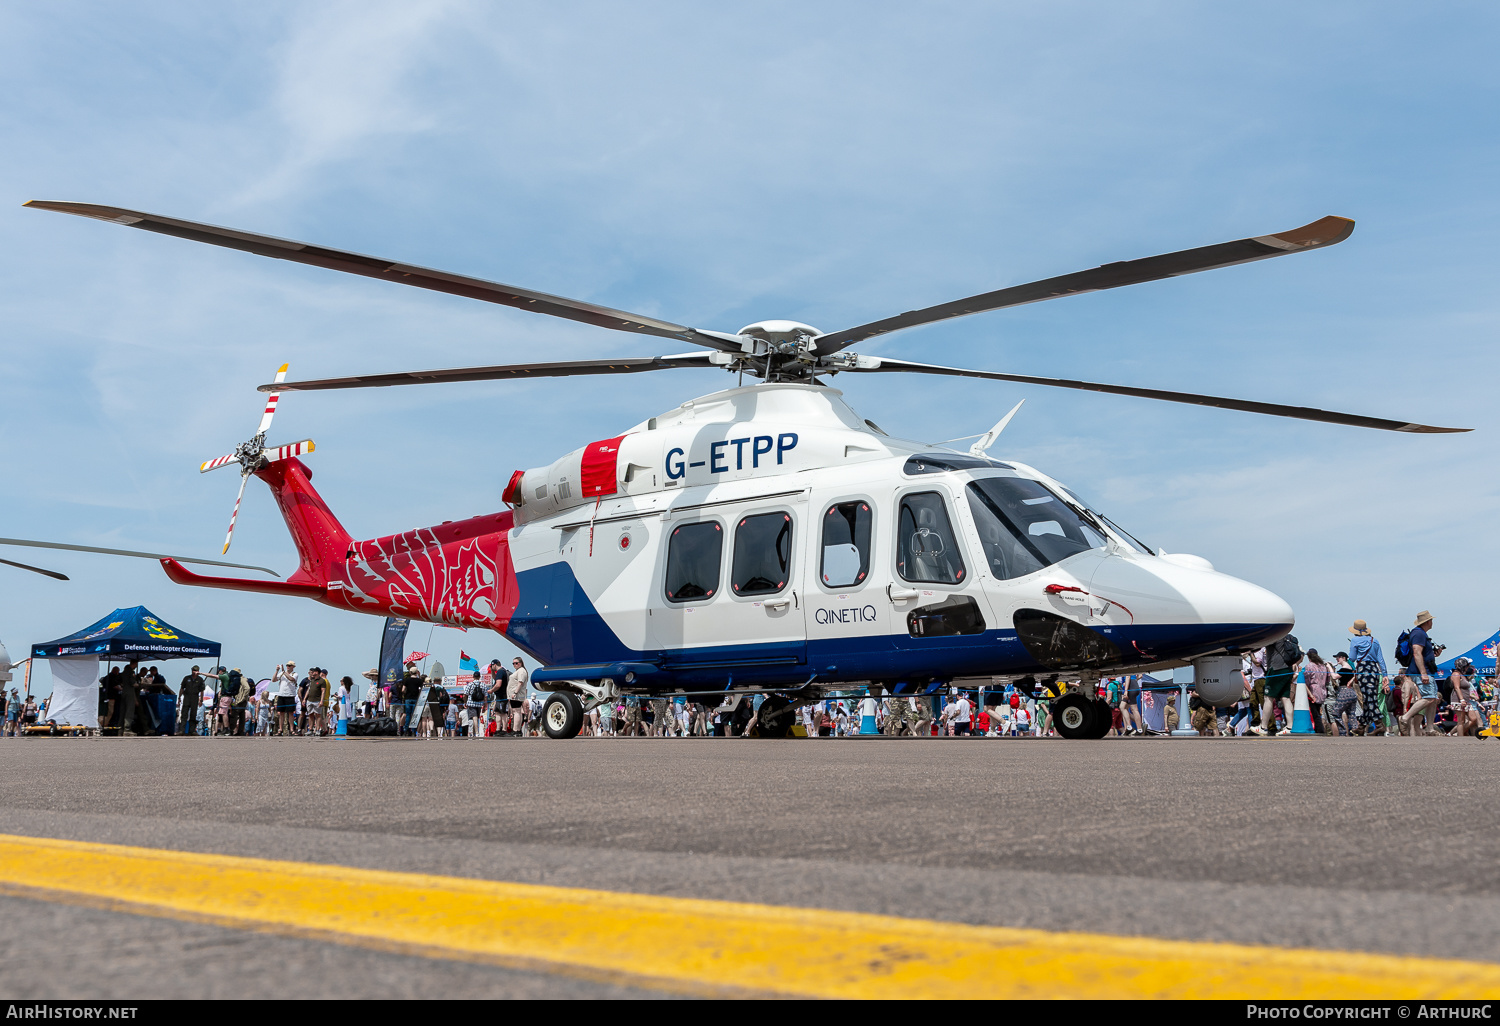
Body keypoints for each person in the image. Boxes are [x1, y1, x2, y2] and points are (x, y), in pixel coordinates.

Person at [1400, 612, 1442, 736]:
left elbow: (1421, 653)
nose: (1432, 623)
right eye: (1431, 620)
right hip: (1421, 672)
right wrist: (1423, 673)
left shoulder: (1421, 633)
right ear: (1427, 622)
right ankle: (1405, 718)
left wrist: (1434, 654)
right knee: (1428, 697)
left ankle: (1429, 728)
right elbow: (1416, 652)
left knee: (1433, 698)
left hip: (1425, 670)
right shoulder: (1418, 633)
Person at [1253, 634, 1301, 736]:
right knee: (1285, 698)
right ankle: (1290, 727)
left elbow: (1258, 645)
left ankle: (1263, 727)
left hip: (1275, 669)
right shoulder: (1287, 636)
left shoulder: (1274, 635)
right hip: (1287, 669)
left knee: (1268, 697)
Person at [1347, 620, 1387, 736]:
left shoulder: (1355, 640)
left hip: (1363, 669)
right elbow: (1381, 659)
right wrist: (1385, 675)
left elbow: (1352, 658)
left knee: (1370, 699)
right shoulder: (1375, 641)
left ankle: (1379, 725)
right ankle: (1361, 727)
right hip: (1374, 670)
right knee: (1369, 698)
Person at [1448, 658, 1482, 737]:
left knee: (1473, 719)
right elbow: (1457, 687)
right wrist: (1462, 700)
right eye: (1466, 666)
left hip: (1466, 700)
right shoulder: (1456, 674)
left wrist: (1471, 696)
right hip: (1458, 699)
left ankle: (1455, 733)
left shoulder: (1462, 675)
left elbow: (1464, 689)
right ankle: (1460, 736)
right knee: (1461, 720)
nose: (1467, 667)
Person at [1302, 650, 1331, 734]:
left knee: (1315, 713)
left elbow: (1306, 680)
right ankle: (1319, 729)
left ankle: (1319, 730)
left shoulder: (1309, 666)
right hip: (1322, 691)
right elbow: (1328, 679)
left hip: (1313, 691)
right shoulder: (1323, 666)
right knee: (1318, 711)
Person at [177, 665, 206, 736]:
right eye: (193, 670)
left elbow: (202, 690)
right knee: (184, 714)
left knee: (193, 714)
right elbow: (182, 688)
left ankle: (192, 730)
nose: (195, 672)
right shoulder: (186, 678)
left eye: (196, 670)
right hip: (187, 697)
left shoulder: (200, 680)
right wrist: (179, 697)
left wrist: (201, 700)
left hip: (195, 697)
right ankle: (182, 730)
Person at [271, 661, 298, 736]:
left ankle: (292, 729)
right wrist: (277, 671)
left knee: (290, 713)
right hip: (281, 695)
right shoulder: (282, 674)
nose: (288, 667)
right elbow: (273, 680)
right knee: (281, 713)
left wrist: (283, 671)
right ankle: (280, 729)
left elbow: (291, 679)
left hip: (290, 695)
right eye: (287, 665)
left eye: (290, 665)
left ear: (293, 667)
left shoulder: (295, 674)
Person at [507, 658, 529, 735]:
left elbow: (520, 682)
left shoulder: (521, 671)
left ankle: (515, 730)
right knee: (517, 712)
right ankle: (518, 730)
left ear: (520, 663)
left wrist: (515, 692)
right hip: (516, 695)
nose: (514, 665)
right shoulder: (519, 671)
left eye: (516, 663)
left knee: (516, 712)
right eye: (513, 663)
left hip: (517, 695)